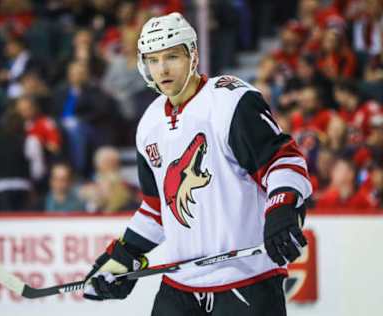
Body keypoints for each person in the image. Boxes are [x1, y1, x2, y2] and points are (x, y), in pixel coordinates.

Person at [82, 12, 312, 315]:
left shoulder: (229, 100)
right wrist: (126, 253)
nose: (162, 69)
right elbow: (157, 206)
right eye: (153, 60)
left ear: (193, 56)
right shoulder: (149, 123)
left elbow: (282, 158)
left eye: (172, 56)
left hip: (247, 280)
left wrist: (282, 207)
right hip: (180, 287)